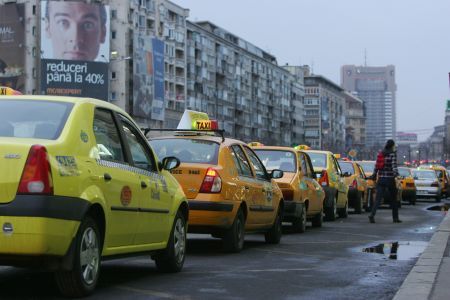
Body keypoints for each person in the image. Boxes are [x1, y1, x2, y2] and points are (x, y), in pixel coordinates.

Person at [369, 139, 402, 223]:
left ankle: (372, 215)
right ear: (392, 146)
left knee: (378, 199)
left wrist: (374, 174)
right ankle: (395, 218)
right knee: (394, 199)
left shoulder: (381, 153)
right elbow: (394, 166)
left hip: (381, 179)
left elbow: (376, 166)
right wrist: (397, 174)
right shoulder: (392, 154)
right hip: (390, 179)